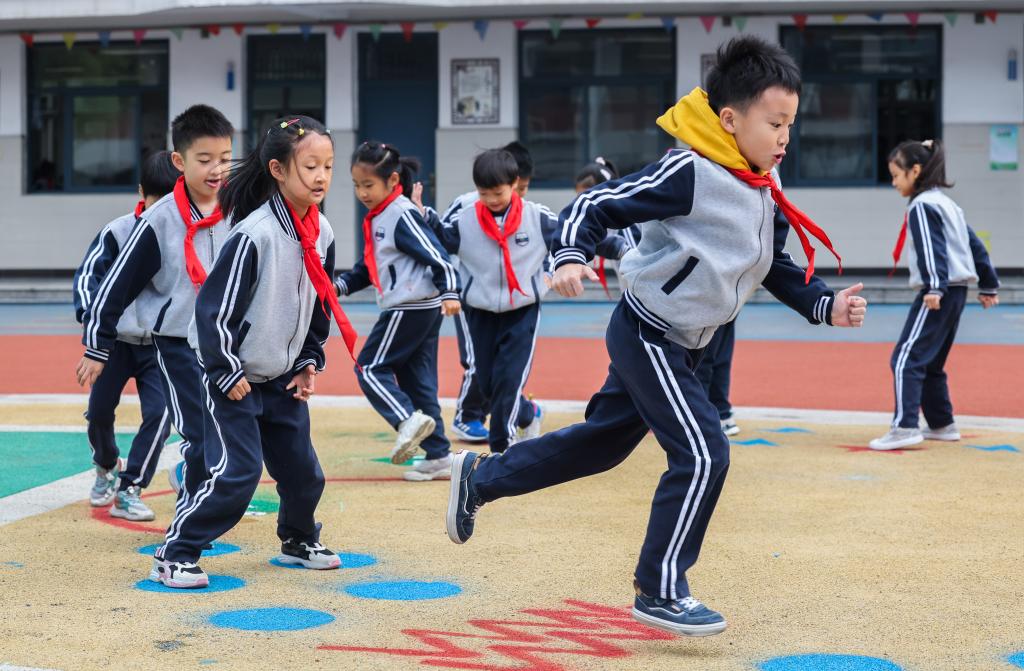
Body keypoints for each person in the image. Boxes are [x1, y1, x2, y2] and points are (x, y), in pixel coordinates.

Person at [445, 36, 868, 638]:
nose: (784, 139)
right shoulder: (690, 171)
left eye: (790, 126)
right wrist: (570, 255)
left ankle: (479, 479)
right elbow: (599, 204)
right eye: (775, 123)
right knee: (702, 453)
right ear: (730, 119)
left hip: (689, 344)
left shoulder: (760, 186)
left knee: (603, 445)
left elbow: (770, 261)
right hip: (649, 333)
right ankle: (660, 588)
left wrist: (825, 302)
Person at [150, 115, 354, 588]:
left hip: (281, 379)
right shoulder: (255, 235)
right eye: (310, 166)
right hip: (235, 379)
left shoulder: (321, 231)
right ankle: (174, 553)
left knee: (306, 474)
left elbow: (320, 299)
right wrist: (225, 368)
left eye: (328, 166)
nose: (322, 176)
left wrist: (308, 361)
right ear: (279, 170)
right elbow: (213, 311)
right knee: (236, 477)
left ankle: (298, 538)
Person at [76, 104, 234, 513]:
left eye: (224, 159)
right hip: (153, 340)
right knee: (102, 413)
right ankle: (112, 467)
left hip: (205, 341)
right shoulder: (149, 225)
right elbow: (107, 285)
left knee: (187, 423)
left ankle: (141, 487)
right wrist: (96, 343)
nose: (217, 169)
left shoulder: (232, 211)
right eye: (205, 160)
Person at [336, 141, 461, 481]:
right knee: (416, 381)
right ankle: (439, 456)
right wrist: (338, 287)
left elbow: (436, 255)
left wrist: (451, 289)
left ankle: (406, 419)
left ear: (392, 181)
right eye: (357, 185)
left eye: (369, 185)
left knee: (370, 367)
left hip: (410, 306)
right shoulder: (380, 216)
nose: (362, 193)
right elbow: (368, 268)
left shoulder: (400, 214)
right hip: (418, 307)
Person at [868, 139, 1000, 451]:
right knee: (930, 362)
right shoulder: (947, 204)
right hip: (957, 290)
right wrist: (988, 283)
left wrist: (933, 286)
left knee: (905, 358)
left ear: (915, 171)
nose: (893, 182)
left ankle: (904, 427)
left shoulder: (922, 205)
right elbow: (974, 245)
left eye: (896, 175)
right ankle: (942, 423)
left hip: (939, 291)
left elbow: (931, 249)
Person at [73, 151, 178, 520]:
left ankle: (131, 487)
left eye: (171, 200)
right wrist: (94, 329)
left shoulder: (183, 235)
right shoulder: (117, 232)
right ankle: (105, 465)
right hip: (115, 345)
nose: (162, 210)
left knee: (162, 415)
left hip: (159, 346)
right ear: (140, 193)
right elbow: (88, 280)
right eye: (156, 200)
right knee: (99, 412)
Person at [439, 141, 546, 444]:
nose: (492, 200)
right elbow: (437, 240)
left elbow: (567, 236)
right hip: (476, 302)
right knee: (481, 376)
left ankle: (502, 447)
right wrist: (447, 287)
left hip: (520, 308)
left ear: (514, 184)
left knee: (508, 379)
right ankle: (526, 413)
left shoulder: (534, 215)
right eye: (485, 193)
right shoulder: (466, 210)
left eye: (498, 193)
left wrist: (564, 267)